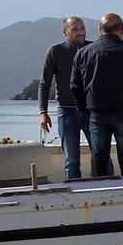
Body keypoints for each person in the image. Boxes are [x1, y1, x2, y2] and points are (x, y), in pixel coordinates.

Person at [71, 13, 123, 177]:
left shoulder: (83, 53)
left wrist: (86, 109)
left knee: (100, 162)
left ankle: (103, 199)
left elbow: (75, 86)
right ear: (121, 30)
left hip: (97, 113)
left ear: (100, 30)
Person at [38, 15, 91, 180]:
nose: (80, 32)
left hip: (91, 111)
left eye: (82, 28)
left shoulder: (93, 48)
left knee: (101, 154)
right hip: (67, 111)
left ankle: (106, 188)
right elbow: (44, 83)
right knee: (71, 159)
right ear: (65, 31)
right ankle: (75, 194)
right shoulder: (55, 51)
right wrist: (43, 112)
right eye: (75, 29)